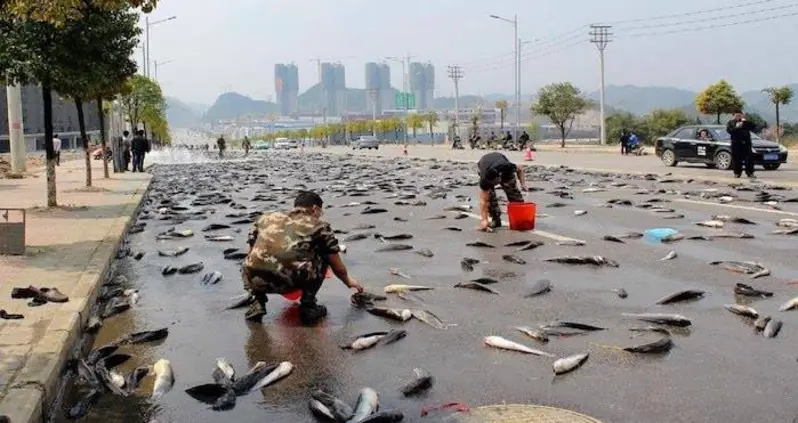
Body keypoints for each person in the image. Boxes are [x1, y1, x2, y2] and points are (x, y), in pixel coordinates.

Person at [242, 191, 365, 324]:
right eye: (320, 212)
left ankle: (257, 302)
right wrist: (347, 281)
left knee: (252, 260)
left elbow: (250, 252)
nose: (320, 216)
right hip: (290, 280)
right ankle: (309, 306)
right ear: (315, 208)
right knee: (324, 255)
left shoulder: (265, 218)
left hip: (256, 280)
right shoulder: (319, 225)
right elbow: (335, 262)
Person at [477, 152, 528, 231]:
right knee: (490, 196)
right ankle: (496, 219)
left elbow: (520, 169)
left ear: (500, 175)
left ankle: (519, 219)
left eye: (496, 183)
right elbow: (483, 201)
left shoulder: (507, 167)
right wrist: (484, 219)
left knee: (513, 192)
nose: (495, 185)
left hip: (500, 164)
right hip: (484, 164)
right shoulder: (485, 180)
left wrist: (523, 184)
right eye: (492, 184)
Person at [726, 110, 757, 179]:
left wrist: (745, 121)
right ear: (733, 116)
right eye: (736, 115)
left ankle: (750, 173)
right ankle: (737, 173)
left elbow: (753, 127)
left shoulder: (745, 122)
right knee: (736, 159)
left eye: (740, 115)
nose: (738, 117)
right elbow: (729, 131)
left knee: (749, 159)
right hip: (736, 144)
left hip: (746, 143)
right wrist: (737, 127)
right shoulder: (730, 123)